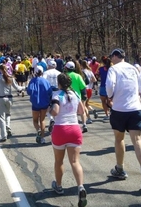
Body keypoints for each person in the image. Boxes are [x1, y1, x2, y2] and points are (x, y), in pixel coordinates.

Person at [106, 48, 141, 192]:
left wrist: (111, 96)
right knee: (137, 140)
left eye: (111, 57)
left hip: (119, 109)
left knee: (119, 139)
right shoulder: (134, 69)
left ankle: (120, 168)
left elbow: (109, 87)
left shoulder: (114, 69)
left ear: (115, 57)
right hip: (135, 108)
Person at [49, 73, 87, 207]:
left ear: (59, 83)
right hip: (75, 129)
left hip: (60, 129)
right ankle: (81, 187)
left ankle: (58, 186)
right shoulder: (75, 94)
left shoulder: (57, 94)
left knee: (59, 160)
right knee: (75, 161)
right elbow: (81, 111)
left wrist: (50, 110)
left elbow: (55, 111)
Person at [0, 64, 23, 142]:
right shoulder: (11, 78)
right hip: (9, 98)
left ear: (0, 70)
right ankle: (8, 126)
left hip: (1, 98)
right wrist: (23, 88)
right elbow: (17, 87)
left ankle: (3, 135)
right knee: (8, 114)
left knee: (1, 117)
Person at [27, 66, 53, 144]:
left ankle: (38, 130)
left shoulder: (33, 81)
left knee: (35, 120)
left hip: (35, 103)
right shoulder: (45, 81)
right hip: (45, 103)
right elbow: (50, 92)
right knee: (42, 120)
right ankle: (42, 137)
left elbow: (29, 91)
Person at [64, 61, 88, 133]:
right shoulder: (78, 76)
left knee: (71, 113)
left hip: (67, 97)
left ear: (66, 68)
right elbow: (83, 87)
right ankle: (84, 124)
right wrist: (84, 95)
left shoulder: (64, 76)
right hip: (77, 97)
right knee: (82, 111)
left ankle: (74, 126)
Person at [43, 59, 61, 133]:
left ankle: (51, 119)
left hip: (49, 91)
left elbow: (43, 81)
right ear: (55, 66)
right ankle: (56, 122)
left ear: (49, 65)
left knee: (48, 107)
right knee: (57, 107)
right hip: (58, 91)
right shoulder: (59, 73)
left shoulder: (46, 72)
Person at [99, 56, 112, 120]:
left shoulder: (101, 69)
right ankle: (113, 112)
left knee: (103, 101)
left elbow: (98, 76)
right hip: (110, 86)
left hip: (103, 86)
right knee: (110, 101)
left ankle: (107, 115)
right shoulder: (112, 69)